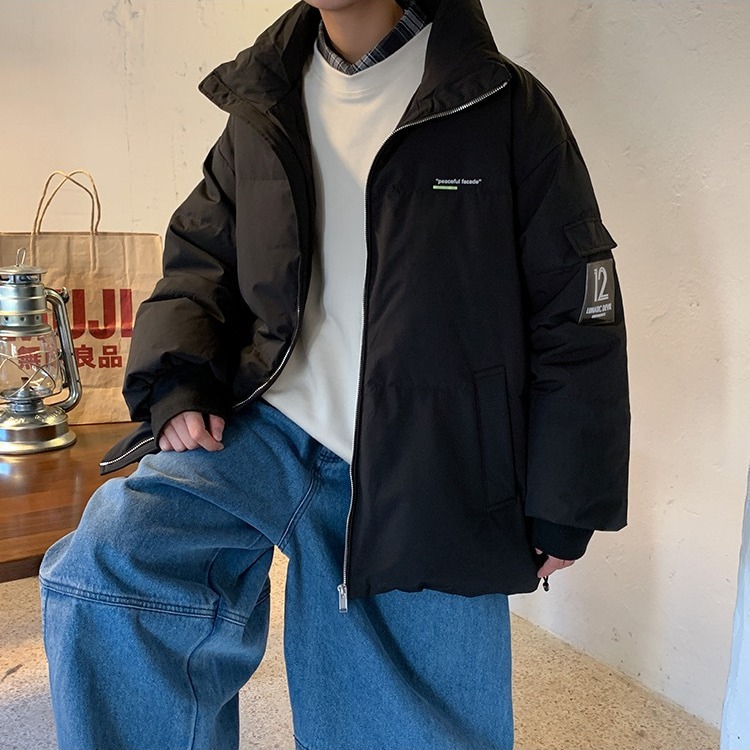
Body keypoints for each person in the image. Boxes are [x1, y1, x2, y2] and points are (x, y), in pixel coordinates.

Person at [39, 0, 630, 748]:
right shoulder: (263, 99)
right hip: (264, 427)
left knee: (411, 721)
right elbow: (201, 258)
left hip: (430, 453)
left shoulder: (504, 108)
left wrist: (566, 499)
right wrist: (179, 380)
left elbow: (576, 313)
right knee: (109, 572)